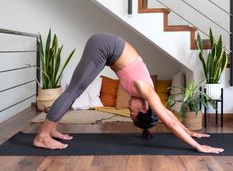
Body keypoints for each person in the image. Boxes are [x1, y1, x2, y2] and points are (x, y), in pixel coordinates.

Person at [33, 32, 224, 154]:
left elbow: (167, 115)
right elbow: (169, 122)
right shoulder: (145, 90)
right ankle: (42, 137)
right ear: (142, 109)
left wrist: (190, 131)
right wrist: (197, 146)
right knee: (75, 90)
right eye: (131, 112)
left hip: (107, 46)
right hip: (105, 45)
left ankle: (51, 129)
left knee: (76, 89)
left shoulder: (148, 95)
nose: (128, 108)